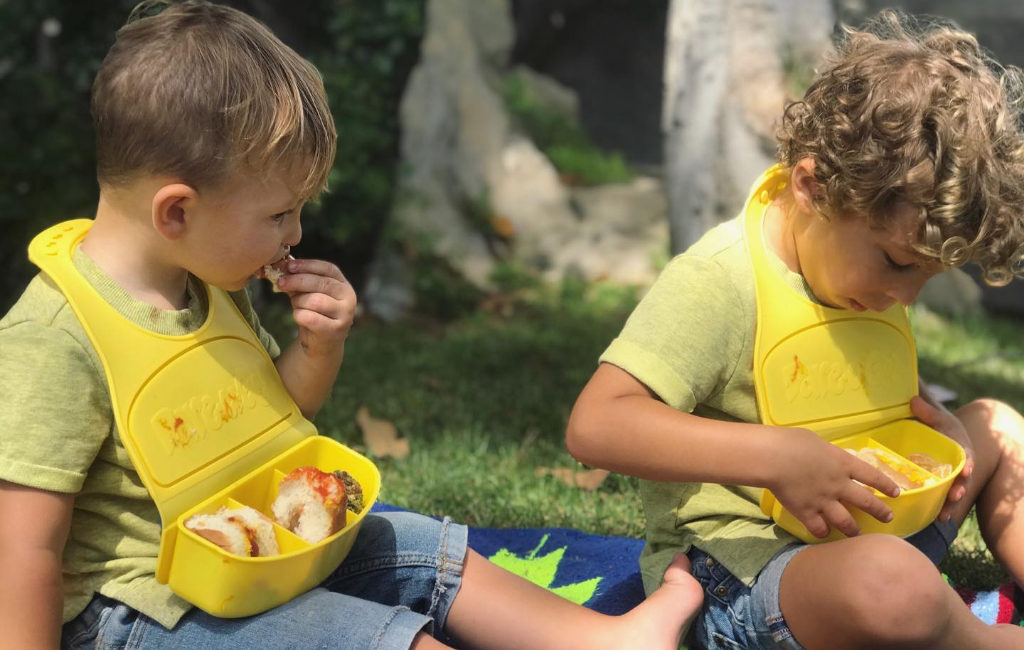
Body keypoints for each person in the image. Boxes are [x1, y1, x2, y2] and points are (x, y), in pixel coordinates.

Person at [0, 3, 705, 649]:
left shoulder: (207, 285)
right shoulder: (55, 340)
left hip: (257, 558)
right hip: (142, 610)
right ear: (177, 212)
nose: (295, 233)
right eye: (278, 214)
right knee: (357, 636)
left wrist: (319, 347)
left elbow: (275, 417)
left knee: (413, 542)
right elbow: (22, 550)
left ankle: (599, 641)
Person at [566, 11, 1024, 650]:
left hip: (872, 521)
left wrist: (935, 434)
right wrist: (775, 456)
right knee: (891, 583)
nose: (903, 297)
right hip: (746, 571)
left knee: (1000, 425)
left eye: (928, 278)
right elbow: (596, 425)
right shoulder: (719, 282)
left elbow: (850, 387)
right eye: (896, 264)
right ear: (813, 187)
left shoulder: (857, 274)